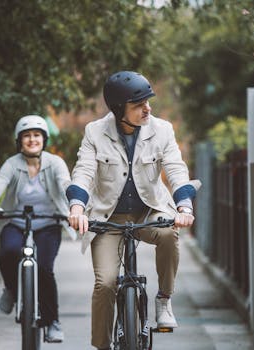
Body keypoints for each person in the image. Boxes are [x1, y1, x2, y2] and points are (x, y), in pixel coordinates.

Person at [66, 71, 200, 350]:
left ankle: (163, 298)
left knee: (167, 235)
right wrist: (77, 208)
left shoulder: (161, 129)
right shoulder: (94, 132)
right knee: (105, 284)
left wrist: (183, 206)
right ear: (118, 109)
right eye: (139, 105)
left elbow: (176, 169)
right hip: (107, 218)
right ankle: (102, 345)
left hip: (148, 212)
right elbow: (84, 172)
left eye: (148, 102)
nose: (147, 108)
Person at [0, 115, 76, 343]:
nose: (32, 139)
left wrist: (74, 208)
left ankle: (52, 322)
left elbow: (65, 184)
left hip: (48, 223)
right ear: (19, 140)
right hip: (17, 221)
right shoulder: (12, 164)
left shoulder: (55, 163)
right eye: (27, 136)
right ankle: (11, 289)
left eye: (37, 135)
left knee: (44, 269)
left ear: (44, 139)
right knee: (8, 252)